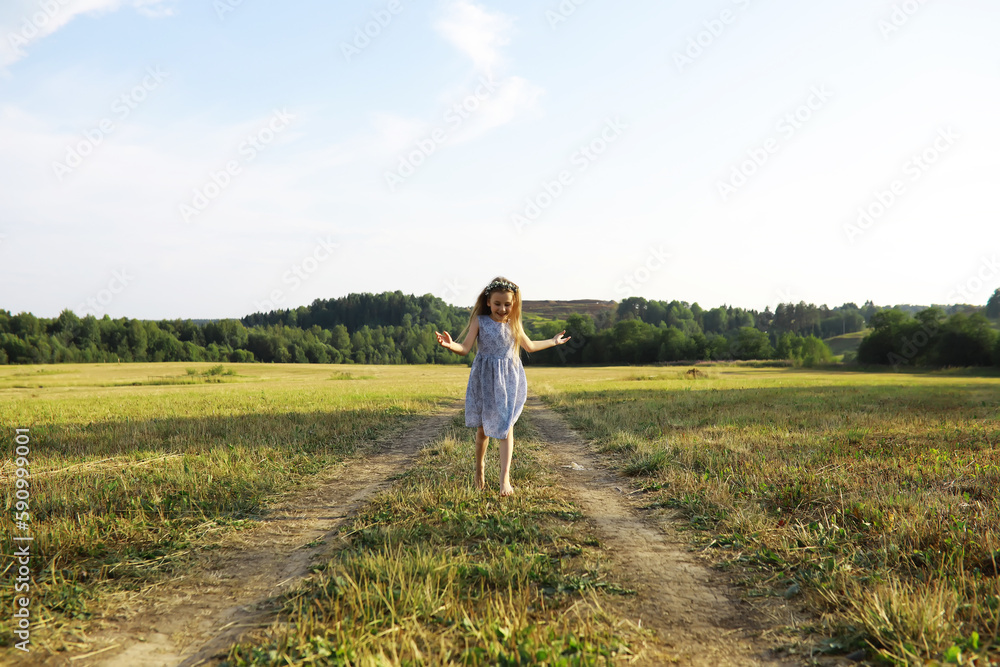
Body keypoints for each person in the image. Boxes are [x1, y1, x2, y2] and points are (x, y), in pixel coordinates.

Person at [435, 277, 571, 496]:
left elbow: (531, 345)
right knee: (483, 431)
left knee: (506, 428)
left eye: (507, 304)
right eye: (498, 303)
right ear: (488, 301)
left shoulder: (514, 324)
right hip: (484, 379)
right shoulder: (480, 321)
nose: (502, 308)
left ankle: (504, 479)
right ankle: (479, 471)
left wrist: (553, 341)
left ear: (514, 304)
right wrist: (451, 345)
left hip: (508, 379)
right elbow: (465, 348)